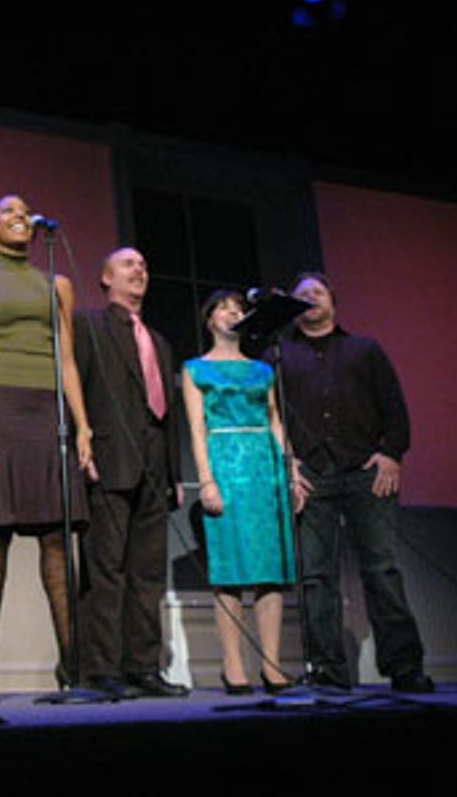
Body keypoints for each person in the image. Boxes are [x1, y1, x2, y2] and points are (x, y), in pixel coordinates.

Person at [0, 194, 93, 705]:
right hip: (0, 404)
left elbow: (69, 361)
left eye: (25, 211)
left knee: (57, 537)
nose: (21, 216)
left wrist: (82, 426)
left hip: (49, 409)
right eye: (8, 211)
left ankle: (71, 666)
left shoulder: (57, 283)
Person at [276, 272, 433, 693]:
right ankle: (327, 670)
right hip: (311, 476)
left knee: (381, 569)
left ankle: (404, 667)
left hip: (365, 474)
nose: (309, 298)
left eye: (317, 292)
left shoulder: (364, 350)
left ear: (333, 301)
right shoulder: (281, 357)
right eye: (301, 295)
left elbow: (394, 406)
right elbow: (275, 417)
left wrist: (391, 454)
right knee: (315, 577)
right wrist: (289, 466)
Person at [73, 247, 188, 699]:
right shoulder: (89, 326)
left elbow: (169, 413)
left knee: (148, 574)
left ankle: (143, 666)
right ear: (105, 277)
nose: (139, 269)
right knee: (106, 571)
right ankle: (101, 669)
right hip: (108, 461)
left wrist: (174, 472)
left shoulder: (159, 341)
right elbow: (75, 391)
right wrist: (81, 452)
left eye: (143, 264)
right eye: (127, 264)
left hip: (154, 470)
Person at [181, 290, 295, 695]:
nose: (233, 312)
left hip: (265, 468)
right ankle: (233, 667)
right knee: (229, 571)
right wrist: (206, 479)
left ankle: (272, 665)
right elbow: (196, 428)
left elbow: (275, 420)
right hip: (225, 463)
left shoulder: (263, 370)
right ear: (209, 319)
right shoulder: (195, 369)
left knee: (270, 572)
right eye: (224, 307)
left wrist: (291, 469)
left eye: (239, 308)